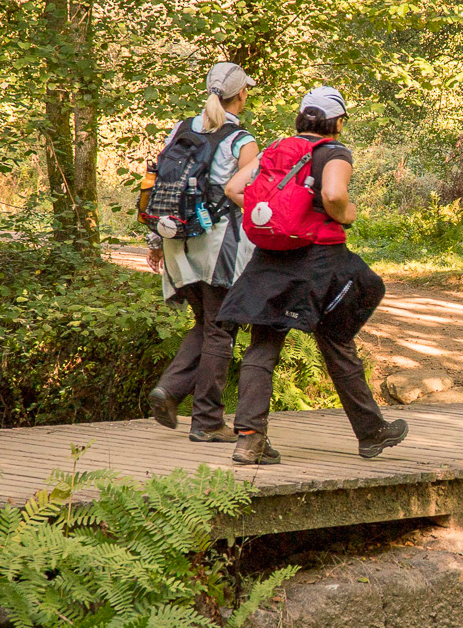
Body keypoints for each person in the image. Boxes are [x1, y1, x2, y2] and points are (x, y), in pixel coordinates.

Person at [217, 85, 406, 465]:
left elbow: (235, 187)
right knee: (338, 335)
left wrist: (275, 218)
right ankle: (370, 433)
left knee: (263, 343)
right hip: (320, 259)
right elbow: (335, 195)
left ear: (302, 118)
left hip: (270, 256)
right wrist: (345, 213)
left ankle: (249, 440)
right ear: (336, 122)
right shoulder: (332, 152)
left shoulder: (275, 150)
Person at [144, 61, 260, 441]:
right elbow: (253, 199)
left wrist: (156, 241)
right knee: (221, 329)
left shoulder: (180, 129)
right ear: (242, 94)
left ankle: (171, 389)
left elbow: (160, 185)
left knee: (207, 322)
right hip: (217, 245)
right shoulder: (241, 141)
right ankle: (208, 421)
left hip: (177, 240)